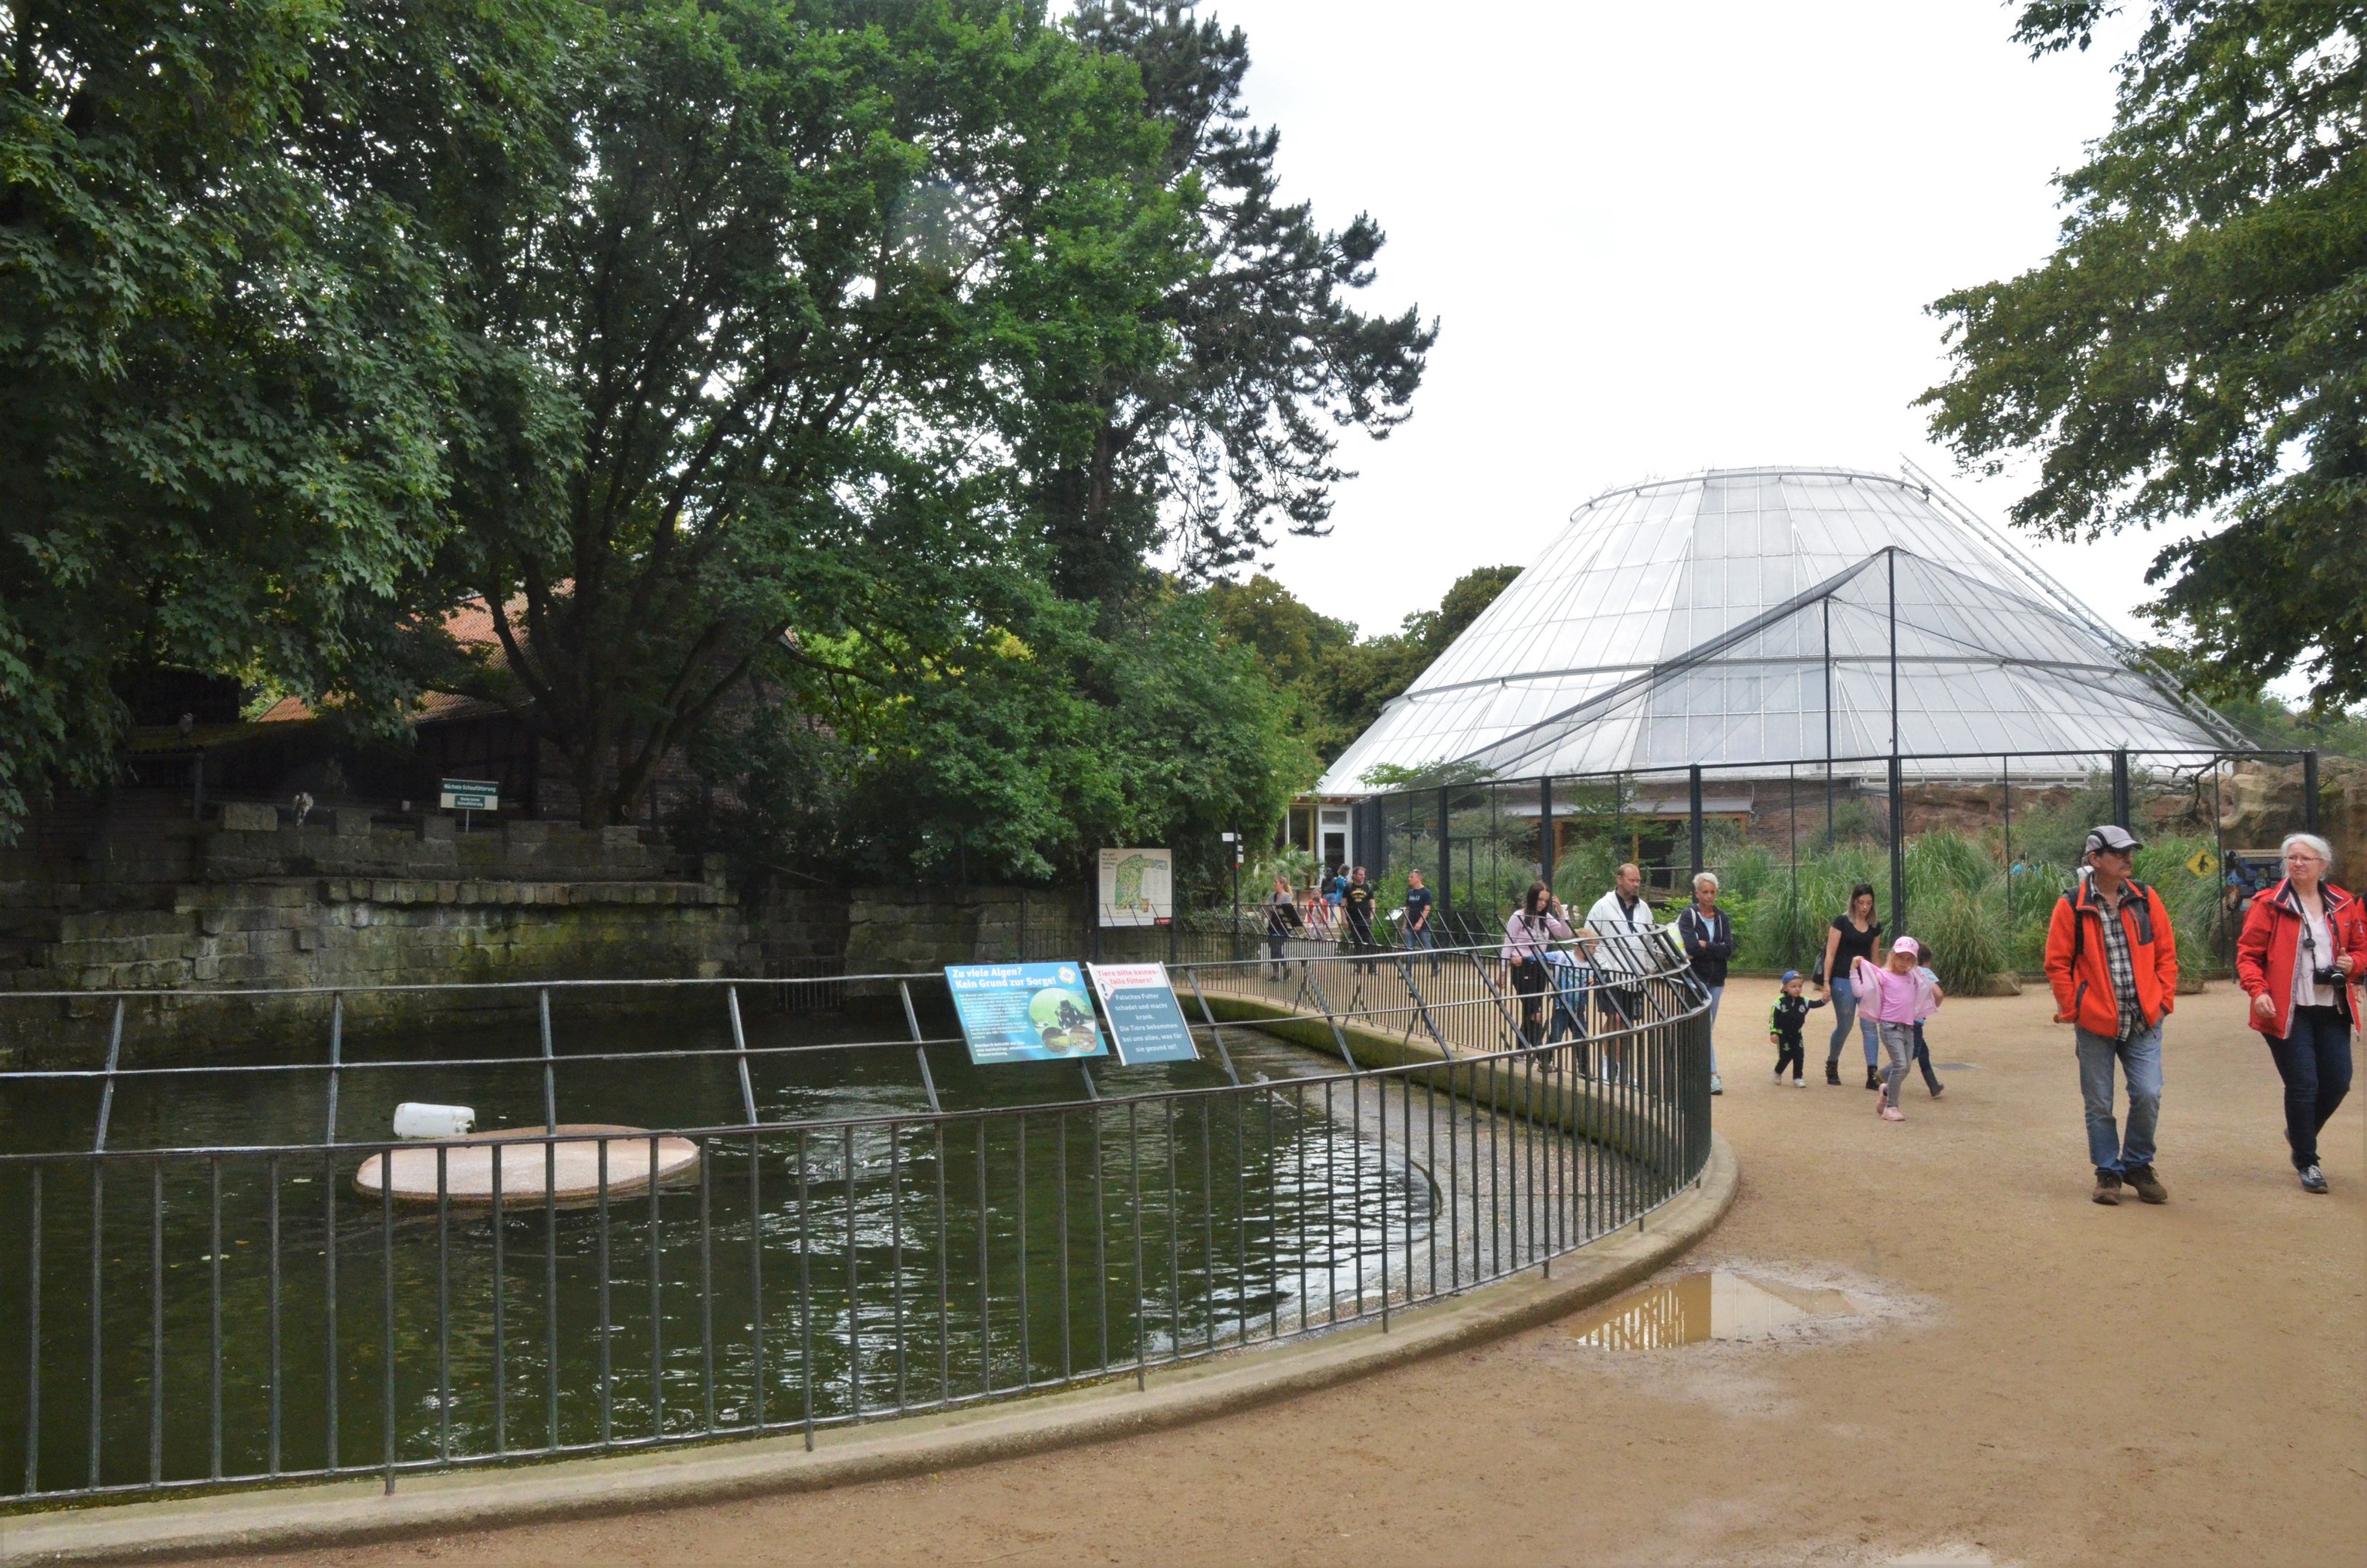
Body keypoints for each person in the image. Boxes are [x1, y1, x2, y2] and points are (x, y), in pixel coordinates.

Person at [2044, 825, 2179, 1206]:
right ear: (2095, 860)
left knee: (2148, 1092)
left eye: (2129, 852)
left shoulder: (2146, 899)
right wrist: (2075, 1008)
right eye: (2119, 853)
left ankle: (2137, 1164)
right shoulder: (2071, 903)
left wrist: (2163, 1000)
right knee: (2099, 1101)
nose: (2128, 859)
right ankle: (2108, 1171)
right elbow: (2056, 963)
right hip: (2096, 1022)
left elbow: (2167, 954)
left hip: (2143, 1019)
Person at [2234, 832, 2361, 1195]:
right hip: (2286, 1009)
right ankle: (2308, 1160)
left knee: (2338, 1082)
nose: (2298, 864)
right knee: (2304, 1084)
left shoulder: (2343, 903)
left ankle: (2299, 1131)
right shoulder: (2268, 904)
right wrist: (2258, 991)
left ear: (2323, 865)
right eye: (2292, 858)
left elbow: (2361, 949)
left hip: (2331, 1006)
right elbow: (2248, 955)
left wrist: (2353, 963)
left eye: (2306, 858)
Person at [1585, 862, 1660, 1085]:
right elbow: (1589, 936)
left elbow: (1649, 939)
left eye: (1638, 881)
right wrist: (1602, 965)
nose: (1636, 884)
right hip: (1610, 974)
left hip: (1635, 974)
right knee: (1615, 1018)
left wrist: (1649, 967)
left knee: (1626, 1024)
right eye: (1632, 880)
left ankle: (1621, 1069)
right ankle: (1610, 1068)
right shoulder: (1602, 906)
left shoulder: (1643, 908)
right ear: (1619, 880)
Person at [1851, 934, 1927, 1122]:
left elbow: (1925, 990)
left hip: (1908, 1027)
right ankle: (1891, 1107)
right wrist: (1854, 969)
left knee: (1906, 1067)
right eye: (1900, 957)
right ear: (1893, 955)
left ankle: (1886, 1091)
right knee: (1900, 1065)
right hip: (1889, 1027)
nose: (1904, 962)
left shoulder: (1913, 977)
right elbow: (1860, 991)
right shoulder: (1883, 976)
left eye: (1909, 959)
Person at [1815, 884, 1885, 1089]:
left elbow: (1875, 957)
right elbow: (1830, 954)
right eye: (1861, 902)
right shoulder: (1842, 922)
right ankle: (1832, 1063)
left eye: (1869, 903)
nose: (1865, 907)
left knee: (1869, 1026)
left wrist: (1882, 982)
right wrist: (1826, 982)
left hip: (1866, 980)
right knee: (1845, 1025)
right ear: (1854, 901)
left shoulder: (1874, 926)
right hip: (1842, 979)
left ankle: (1872, 1074)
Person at [1675, 871, 1732, 1095]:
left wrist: (1707, 946)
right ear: (1697, 893)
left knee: (1705, 1027)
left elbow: (1728, 949)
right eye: (1705, 892)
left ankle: (1690, 1068)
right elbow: (1691, 947)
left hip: (1717, 979)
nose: (1709, 896)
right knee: (1704, 1026)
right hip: (1694, 978)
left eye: (1713, 892)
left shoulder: (1722, 917)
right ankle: (1712, 1075)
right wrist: (1713, 947)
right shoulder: (1689, 915)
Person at [1502, 881, 1573, 1053]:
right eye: (1540, 899)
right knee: (1536, 1013)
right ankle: (1540, 1053)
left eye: (1545, 901)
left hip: (1539, 968)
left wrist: (1561, 913)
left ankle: (1520, 1051)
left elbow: (1566, 934)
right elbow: (1508, 943)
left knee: (1531, 1012)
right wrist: (1503, 971)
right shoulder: (1518, 917)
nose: (1542, 904)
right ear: (1532, 898)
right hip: (1521, 967)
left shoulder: (1546, 919)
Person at [1767, 969, 1825, 1086]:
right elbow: (1773, 1018)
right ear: (1785, 988)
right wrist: (1773, 1032)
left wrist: (1825, 1000)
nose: (1797, 989)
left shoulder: (1804, 1001)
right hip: (1782, 1034)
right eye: (1793, 986)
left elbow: (1816, 1004)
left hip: (1797, 1034)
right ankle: (1778, 1071)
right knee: (1786, 1056)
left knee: (1799, 1055)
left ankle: (1798, 1077)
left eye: (1800, 986)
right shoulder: (1779, 1002)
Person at [1908, 953, 1946, 1098]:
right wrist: (1931, 1008)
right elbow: (1939, 994)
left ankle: (1933, 1085)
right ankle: (1884, 1075)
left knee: (1923, 1052)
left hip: (1905, 1018)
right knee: (1913, 1053)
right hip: (1916, 1020)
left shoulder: (1905, 970)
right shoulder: (1924, 971)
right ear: (1927, 961)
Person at [1262, 875, 1300, 979]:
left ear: (1282, 884)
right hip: (1273, 924)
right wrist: (1273, 908)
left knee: (1277, 947)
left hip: (1282, 926)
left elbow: (1283, 909)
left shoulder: (1287, 896)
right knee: (1273, 949)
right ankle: (1279, 971)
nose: (1274, 884)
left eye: (1276, 882)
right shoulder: (1273, 895)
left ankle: (1282, 969)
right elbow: (1267, 906)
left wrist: (1273, 907)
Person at [1341, 865, 1378, 971]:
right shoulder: (1348, 887)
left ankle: (1372, 966)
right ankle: (1359, 966)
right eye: (1361, 875)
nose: (1363, 877)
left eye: (1364, 875)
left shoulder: (1367, 887)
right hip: (1353, 919)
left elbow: (1372, 903)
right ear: (1355, 875)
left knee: (1369, 942)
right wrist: (1344, 919)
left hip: (1365, 918)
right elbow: (1343, 904)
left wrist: (1372, 916)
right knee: (1357, 943)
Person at [1403, 868, 1439, 970]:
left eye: (1412, 877)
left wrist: (1420, 922)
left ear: (1419, 878)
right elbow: (1408, 909)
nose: (1409, 879)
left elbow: (1427, 908)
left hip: (1423, 926)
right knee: (1409, 948)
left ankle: (1436, 966)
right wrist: (1405, 924)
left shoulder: (1426, 892)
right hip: (1410, 925)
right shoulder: (1410, 893)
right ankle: (1408, 971)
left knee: (1427, 947)